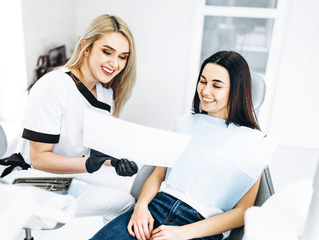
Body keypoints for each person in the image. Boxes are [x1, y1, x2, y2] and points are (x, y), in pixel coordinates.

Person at [90, 51, 274, 239]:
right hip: (156, 208)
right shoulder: (185, 123)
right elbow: (158, 175)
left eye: (216, 85)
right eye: (203, 81)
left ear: (236, 90)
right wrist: (141, 207)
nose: (205, 91)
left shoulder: (255, 143)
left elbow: (243, 211)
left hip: (202, 226)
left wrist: (183, 233)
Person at [0, 14, 139, 221]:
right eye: (107, 52)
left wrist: (113, 161)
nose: (115, 63)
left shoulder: (105, 93)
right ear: (85, 48)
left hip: (66, 171)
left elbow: (91, 150)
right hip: (32, 179)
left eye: (123, 57)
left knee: (133, 184)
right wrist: (90, 164)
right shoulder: (54, 86)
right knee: (124, 202)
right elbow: (39, 159)